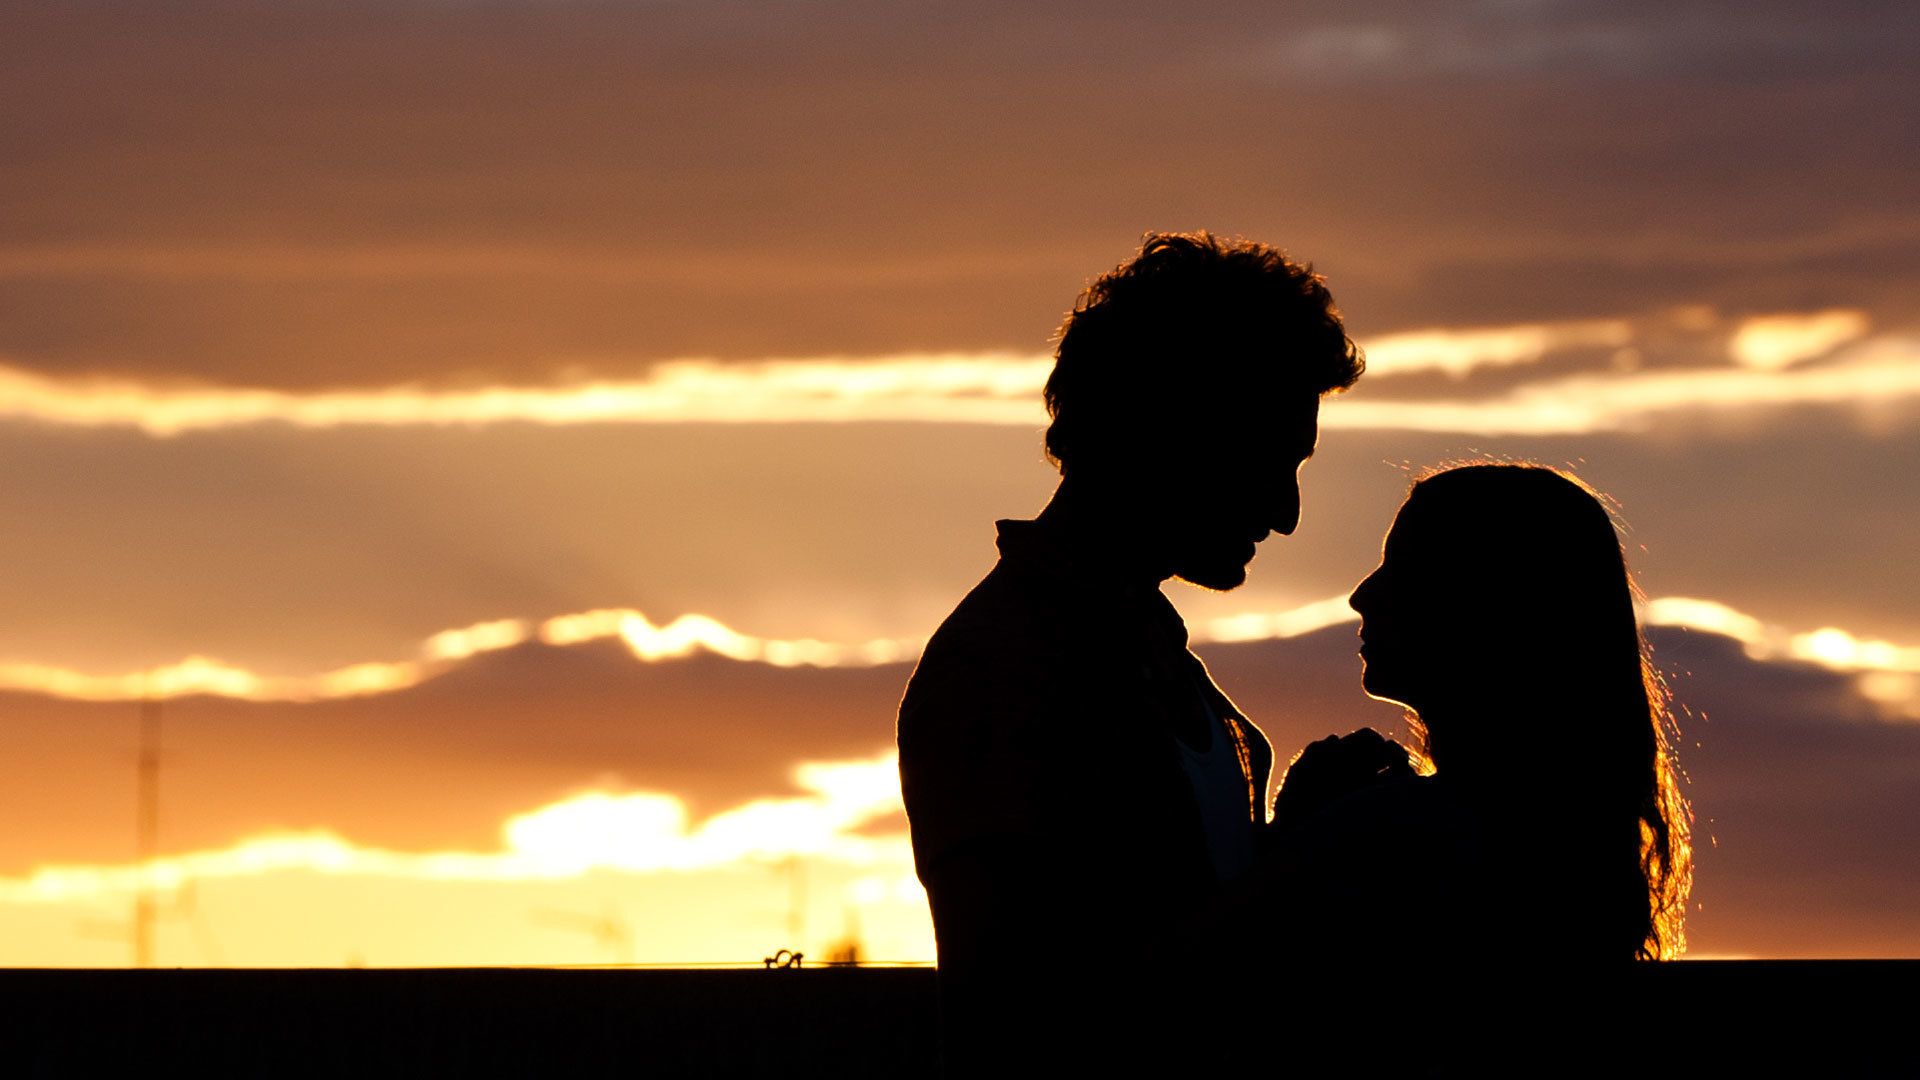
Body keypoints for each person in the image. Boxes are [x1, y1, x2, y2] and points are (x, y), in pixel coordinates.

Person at [896, 231, 1364, 1070]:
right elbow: (1045, 1012)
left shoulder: (1136, 646)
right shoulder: (1004, 669)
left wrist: (1292, 837)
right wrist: (1309, 863)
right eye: (1270, 461)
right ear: (1177, 429)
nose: (1288, 512)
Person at [1268, 463, 1693, 980]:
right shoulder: (1573, 854)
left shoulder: (1394, 838)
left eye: (1404, 569)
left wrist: (1295, 842)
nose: (1363, 596)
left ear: (1486, 604)